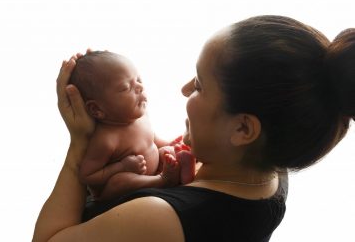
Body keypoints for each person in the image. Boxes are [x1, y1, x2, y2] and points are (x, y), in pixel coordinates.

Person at [33, 15, 355, 242]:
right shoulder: (270, 169)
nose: (185, 89)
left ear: (243, 128)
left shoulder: (159, 219)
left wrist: (80, 146)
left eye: (200, 85)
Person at [68, 50, 195, 200]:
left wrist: (170, 145)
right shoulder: (107, 139)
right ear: (97, 109)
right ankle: (163, 180)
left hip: (151, 172)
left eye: (138, 80)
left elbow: (152, 140)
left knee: (167, 151)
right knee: (119, 181)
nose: (139, 87)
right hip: (118, 194)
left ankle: (183, 170)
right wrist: (122, 166)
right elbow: (87, 176)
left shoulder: (141, 116)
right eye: (126, 87)